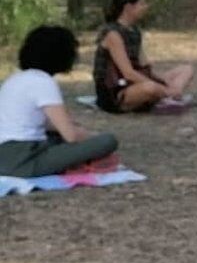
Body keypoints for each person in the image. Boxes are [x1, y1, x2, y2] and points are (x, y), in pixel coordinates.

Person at [0, 25, 119, 177]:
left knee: (57, 138)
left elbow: (40, 123)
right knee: (108, 141)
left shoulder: (15, 78)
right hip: (22, 160)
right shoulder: (43, 82)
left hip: (6, 152)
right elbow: (71, 136)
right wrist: (90, 136)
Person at [94, 0, 194, 113]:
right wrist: (161, 88)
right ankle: (168, 95)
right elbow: (128, 73)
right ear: (129, 7)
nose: (146, 7)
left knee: (186, 69)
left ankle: (167, 95)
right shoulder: (113, 34)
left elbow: (144, 65)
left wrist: (161, 81)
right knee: (150, 88)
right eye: (142, 3)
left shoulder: (135, 31)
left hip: (136, 81)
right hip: (117, 89)